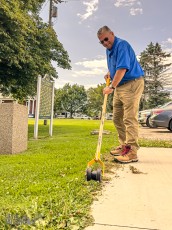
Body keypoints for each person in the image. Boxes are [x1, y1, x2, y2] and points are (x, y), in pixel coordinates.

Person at [97, 25, 144, 163]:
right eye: (102, 42)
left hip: (131, 83)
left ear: (112, 34)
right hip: (120, 86)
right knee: (117, 118)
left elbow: (122, 68)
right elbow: (116, 66)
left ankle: (132, 152)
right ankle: (124, 146)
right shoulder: (109, 50)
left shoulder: (122, 45)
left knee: (129, 118)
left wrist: (111, 87)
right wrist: (109, 73)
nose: (105, 43)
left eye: (106, 39)